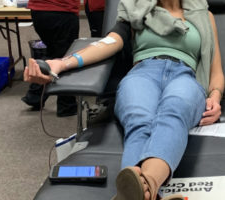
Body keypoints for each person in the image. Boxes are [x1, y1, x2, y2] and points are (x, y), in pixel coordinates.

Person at [24, 0, 224, 199]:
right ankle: (150, 190)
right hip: (143, 73)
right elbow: (107, 43)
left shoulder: (203, 15)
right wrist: (62, 63)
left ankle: (140, 191)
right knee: (139, 119)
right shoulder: (137, 10)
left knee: (175, 110)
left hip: (185, 76)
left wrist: (215, 96)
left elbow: (216, 71)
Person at [21, 0, 80, 117]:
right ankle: (66, 106)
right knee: (65, 58)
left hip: (39, 12)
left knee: (54, 51)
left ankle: (35, 97)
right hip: (62, 11)